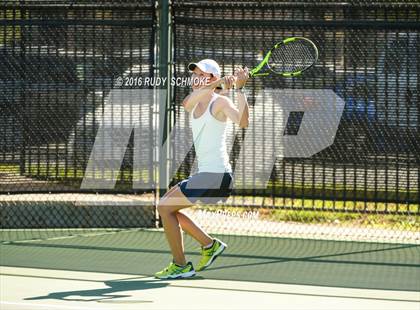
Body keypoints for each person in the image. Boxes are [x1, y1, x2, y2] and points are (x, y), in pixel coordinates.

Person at [155, 59, 249, 279]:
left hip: (217, 176)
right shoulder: (195, 101)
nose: (195, 77)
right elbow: (187, 103)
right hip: (206, 175)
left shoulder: (220, 103)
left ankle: (181, 265)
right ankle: (209, 245)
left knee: (165, 207)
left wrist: (240, 89)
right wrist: (215, 84)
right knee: (168, 209)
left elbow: (242, 122)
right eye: (194, 73)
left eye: (202, 74)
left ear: (213, 78)